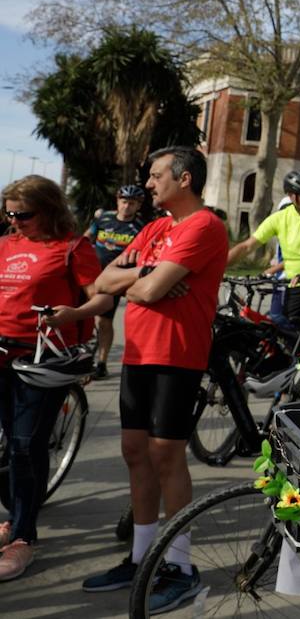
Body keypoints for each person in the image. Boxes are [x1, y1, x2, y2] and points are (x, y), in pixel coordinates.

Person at [82, 146, 228, 611]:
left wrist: (141, 279)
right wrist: (147, 272)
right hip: (139, 352)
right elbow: (104, 281)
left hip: (177, 354)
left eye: (156, 175)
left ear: (184, 179)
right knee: (134, 451)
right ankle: (141, 557)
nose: (148, 183)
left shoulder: (204, 226)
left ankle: (180, 568)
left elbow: (144, 290)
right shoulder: (154, 228)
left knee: (166, 454)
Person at [0, 176, 112, 581]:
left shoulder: (72, 247)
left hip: (43, 359)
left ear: (48, 210)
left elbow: (102, 297)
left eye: (24, 215)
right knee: (10, 445)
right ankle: (15, 515)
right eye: (9, 214)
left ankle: (23, 537)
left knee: (25, 445)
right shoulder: (5, 244)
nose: (15, 222)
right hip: (2, 352)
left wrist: (73, 314)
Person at [226, 170, 300, 328]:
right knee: (289, 328)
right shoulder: (279, 218)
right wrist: (218, 266)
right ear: (291, 196)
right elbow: (247, 246)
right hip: (295, 283)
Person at [85, 184, 148, 379]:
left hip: (120, 280)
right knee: (89, 317)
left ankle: (103, 362)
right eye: (124, 201)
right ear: (117, 201)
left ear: (138, 205)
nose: (127, 206)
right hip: (96, 277)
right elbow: (87, 237)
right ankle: (86, 357)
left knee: (108, 322)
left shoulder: (141, 227)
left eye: (132, 203)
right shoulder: (103, 218)